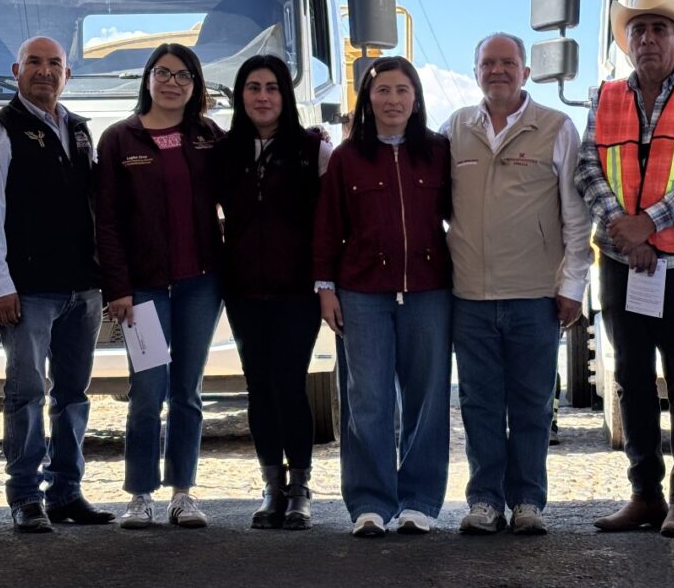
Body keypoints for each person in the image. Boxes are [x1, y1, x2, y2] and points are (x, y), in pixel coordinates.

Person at [578, 0, 674, 537]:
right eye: (637, 30)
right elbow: (588, 169)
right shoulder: (605, 96)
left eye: (658, 30)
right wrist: (626, 230)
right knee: (630, 378)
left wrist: (651, 223)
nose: (646, 39)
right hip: (622, 261)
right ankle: (644, 494)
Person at [443, 33, 591, 536]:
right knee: (479, 404)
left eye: (509, 62)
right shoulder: (454, 129)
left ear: (526, 71)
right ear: (476, 70)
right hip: (470, 296)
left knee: (531, 403)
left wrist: (572, 283)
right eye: (489, 63)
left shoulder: (556, 127)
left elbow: (576, 215)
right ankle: (484, 500)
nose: (498, 70)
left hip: (534, 295)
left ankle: (528, 500)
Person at [0, 35, 112, 533]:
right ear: (16, 70)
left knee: (73, 394)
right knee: (26, 393)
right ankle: (25, 496)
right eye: (35, 62)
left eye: (55, 64)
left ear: (68, 75)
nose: (45, 71)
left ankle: (67, 492)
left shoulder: (78, 129)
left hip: (83, 288)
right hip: (28, 289)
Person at [313, 56, 453, 538]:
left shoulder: (438, 151)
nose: (392, 100)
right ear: (367, 99)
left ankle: (419, 502)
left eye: (402, 90)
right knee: (367, 400)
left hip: (429, 293)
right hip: (362, 293)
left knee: (427, 399)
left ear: (416, 99)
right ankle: (370, 503)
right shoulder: (347, 158)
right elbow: (328, 227)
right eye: (382, 91)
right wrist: (325, 288)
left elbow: (462, 215)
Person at [96, 43, 224, 529]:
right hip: (143, 291)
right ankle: (140, 495)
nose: (173, 83)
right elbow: (105, 221)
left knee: (188, 390)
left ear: (196, 86)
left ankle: (183, 494)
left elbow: (252, 167)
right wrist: (118, 288)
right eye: (164, 73)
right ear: (148, 79)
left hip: (201, 286)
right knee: (148, 390)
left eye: (184, 75)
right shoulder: (119, 139)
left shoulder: (208, 135)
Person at [216, 55, 332, 530]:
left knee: (289, 383)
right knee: (258, 387)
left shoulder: (312, 148)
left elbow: (328, 225)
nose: (262, 96)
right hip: (243, 289)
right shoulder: (223, 151)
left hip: (296, 290)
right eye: (253, 87)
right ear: (240, 95)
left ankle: (300, 487)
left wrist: (325, 281)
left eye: (272, 88)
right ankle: (272, 486)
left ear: (285, 95)